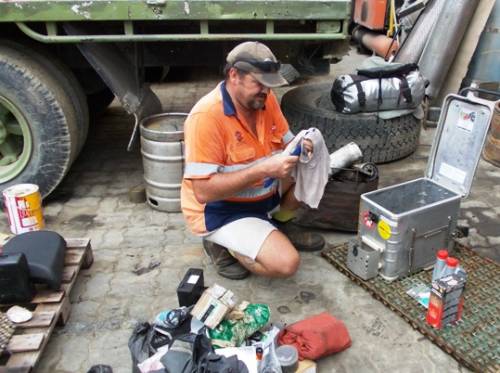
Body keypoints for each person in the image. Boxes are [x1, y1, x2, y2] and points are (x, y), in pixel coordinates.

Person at [181, 41, 324, 280]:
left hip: (263, 196)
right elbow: (203, 192)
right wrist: (261, 170)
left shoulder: (265, 101)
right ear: (234, 75)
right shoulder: (205, 117)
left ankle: (278, 225)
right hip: (222, 211)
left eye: (269, 85)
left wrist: (302, 146)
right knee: (286, 264)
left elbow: (286, 143)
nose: (266, 92)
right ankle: (222, 244)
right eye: (259, 83)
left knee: (315, 171)